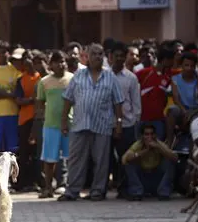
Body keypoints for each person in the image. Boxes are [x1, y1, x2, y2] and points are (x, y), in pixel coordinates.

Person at [58, 43, 124, 202]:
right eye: (94, 54)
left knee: (101, 160)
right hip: (80, 124)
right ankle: (72, 191)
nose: (97, 57)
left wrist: (119, 124)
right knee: (76, 160)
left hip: (102, 125)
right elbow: (68, 99)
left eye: (100, 54)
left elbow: (118, 103)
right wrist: (64, 122)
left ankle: (98, 191)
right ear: (87, 56)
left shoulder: (110, 77)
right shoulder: (78, 76)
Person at [36, 50, 73, 198]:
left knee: (71, 158)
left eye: (63, 61)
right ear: (51, 65)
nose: (61, 64)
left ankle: (71, 188)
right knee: (49, 159)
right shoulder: (44, 82)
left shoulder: (73, 79)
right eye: (58, 61)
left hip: (71, 124)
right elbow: (39, 103)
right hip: (51, 126)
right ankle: (48, 188)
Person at [110, 41, 142, 198]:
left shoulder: (131, 78)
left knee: (126, 158)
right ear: (110, 57)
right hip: (106, 124)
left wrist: (135, 121)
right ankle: (106, 187)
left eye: (122, 56)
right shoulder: (104, 76)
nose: (119, 59)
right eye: (116, 56)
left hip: (128, 123)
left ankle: (125, 189)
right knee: (108, 160)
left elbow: (136, 103)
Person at [122, 124, 177, 201]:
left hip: (156, 178)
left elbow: (175, 158)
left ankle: (163, 193)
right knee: (129, 163)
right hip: (143, 178)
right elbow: (124, 159)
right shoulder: (138, 144)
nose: (149, 137)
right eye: (146, 134)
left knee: (170, 162)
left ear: (155, 135)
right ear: (142, 136)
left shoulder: (158, 143)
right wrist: (144, 151)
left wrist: (158, 148)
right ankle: (136, 192)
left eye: (152, 134)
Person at [14, 50, 40, 192]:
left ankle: (37, 181)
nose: (29, 62)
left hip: (39, 119)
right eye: (26, 60)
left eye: (31, 59)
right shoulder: (20, 79)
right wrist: (31, 100)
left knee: (37, 152)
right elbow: (18, 100)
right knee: (23, 152)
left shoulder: (41, 77)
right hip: (25, 120)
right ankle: (21, 183)